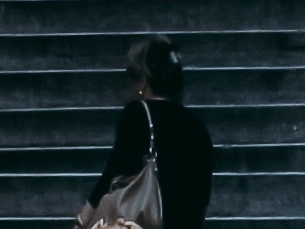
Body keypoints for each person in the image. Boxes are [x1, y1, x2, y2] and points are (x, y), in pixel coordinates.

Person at [82, 38, 214, 229]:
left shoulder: (137, 115)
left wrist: (84, 218)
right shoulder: (197, 126)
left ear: (143, 80)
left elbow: (114, 172)